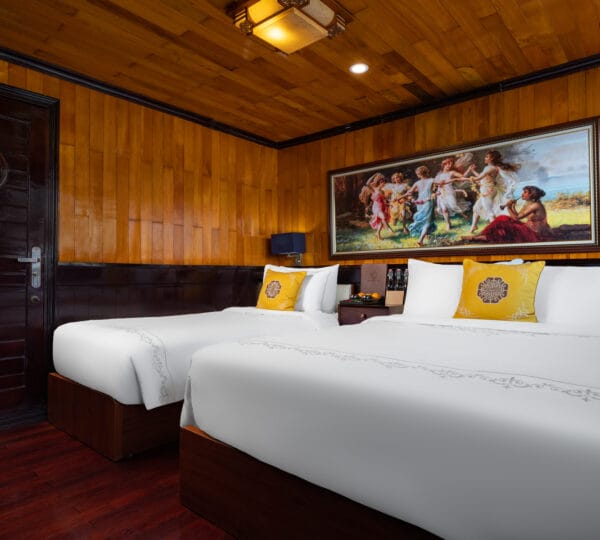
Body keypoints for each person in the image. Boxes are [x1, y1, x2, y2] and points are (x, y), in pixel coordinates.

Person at [462, 185, 553, 243]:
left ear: (532, 194)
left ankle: (478, 237)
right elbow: (518, 215)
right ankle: (479, 235)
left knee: (503, 223)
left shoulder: (535, 205)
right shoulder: (528, 204)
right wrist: (513, 206)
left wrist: (509, 207)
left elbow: (517, 218)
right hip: (527, 227)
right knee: (502, 218)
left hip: (533, 233)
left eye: (525, 192)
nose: (522, 194)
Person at [463, 150, 519, 233]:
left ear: (492, 158)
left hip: (488, 191)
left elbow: (478, 178)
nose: (485, 158)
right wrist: (473, 171)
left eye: (487, 157)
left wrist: (461, 179)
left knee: (490, 212)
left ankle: (497, 232)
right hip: (487, 190)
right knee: (476, 208)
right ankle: (474, 226)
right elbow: (482, 177)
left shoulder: (490, 168)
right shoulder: (490, 168)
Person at [434, 157, 470, 231]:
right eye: (448, 164)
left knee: (454, 206)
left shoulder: (452, 172)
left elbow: (463, 177)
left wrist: (469, 169)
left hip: (449, 192)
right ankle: (448, 224)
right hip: (440, 192)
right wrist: (437, 188)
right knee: (444, 209)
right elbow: (435, 184)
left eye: (451, 164)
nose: (449, 165)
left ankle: (464, 215)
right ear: (444, 164)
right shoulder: (439, 174)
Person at [406, 165, 436, 247]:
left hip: (419, 202)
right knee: (427, 221)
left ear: (419, 174)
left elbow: (409, 192)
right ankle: (420, 240)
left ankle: (425, 235)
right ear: (426, 172)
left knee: (423, 219)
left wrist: (411, 199)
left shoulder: (417, 183)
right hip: (427, 201)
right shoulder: (432, 180)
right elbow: (442, 183)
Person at [369, 174, 394, 240]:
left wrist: (389, 204)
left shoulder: (382, 191)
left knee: (381, 222)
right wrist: (374, 176)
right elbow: (368, 184)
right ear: (379, 182)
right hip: (376, 207)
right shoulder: (374, 189)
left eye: (384, 183)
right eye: (382, 182)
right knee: (383, 217)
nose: (383, 184)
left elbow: (384, 200)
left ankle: (378, 234)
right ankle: (389, 229)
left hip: (382, 206)